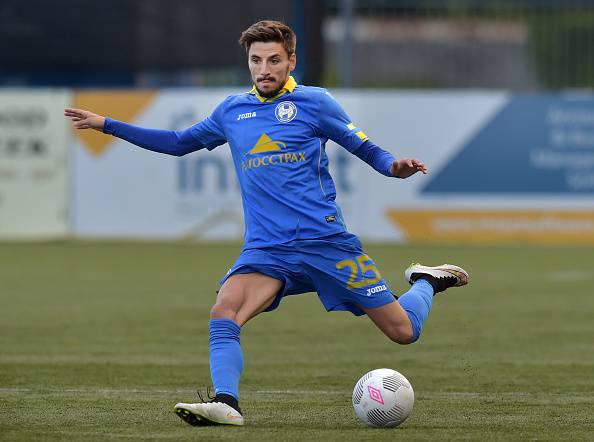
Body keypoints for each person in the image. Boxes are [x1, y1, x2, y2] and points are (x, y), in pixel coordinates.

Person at [65, 20, 468, 427]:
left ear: (291, 61)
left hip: (325, 242)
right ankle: (227, 402)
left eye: (274, 60)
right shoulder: (232, 111)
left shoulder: (316, 103)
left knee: (403, 331)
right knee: (224, 310)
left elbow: (364, 147)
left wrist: (393, 166)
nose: (264, 69)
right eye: (255, 60)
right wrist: (107, 124)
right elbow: (178, 143)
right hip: (268, 250)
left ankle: (425, 281)